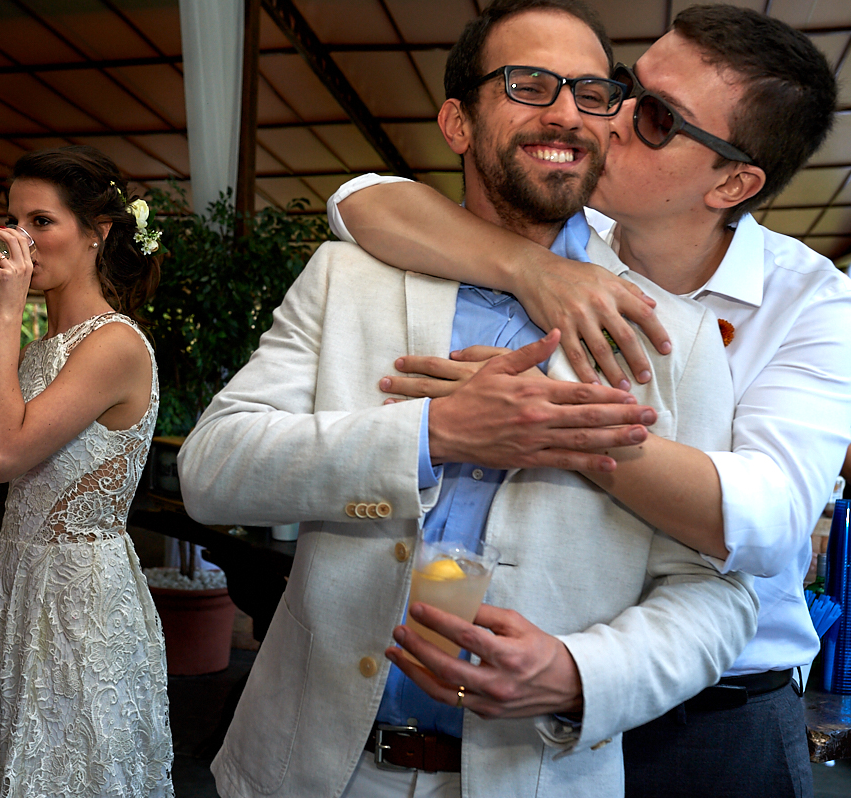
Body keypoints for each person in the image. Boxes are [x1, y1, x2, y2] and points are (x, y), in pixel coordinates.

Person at [177, 2, 758, 796]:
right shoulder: (349, 279)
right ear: (457, 121)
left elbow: (717, 593)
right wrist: (433, 431)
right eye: (529, 84)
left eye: (592, 91)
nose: (565, 112)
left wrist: (583, 674)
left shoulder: (680, 338)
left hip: (537, 774)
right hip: (315, 768)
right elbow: (211, 471)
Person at [329, 5, 850, 796]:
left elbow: (769, 521)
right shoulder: (568, 229)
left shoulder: (811, 302)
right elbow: (361, 199)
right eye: (624, 87)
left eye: (656, 118)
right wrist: (526, 267)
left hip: (715, 716)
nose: (599, 120)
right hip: (525, 689)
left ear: (735, 182)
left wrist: (538, 417)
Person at [0, 145, 172, 797]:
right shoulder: (46, 347)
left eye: (40, 222)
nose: (18, 239)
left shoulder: (115, 344)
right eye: (13, 221)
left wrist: (7, 308)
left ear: (97, 234)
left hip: (80, 598)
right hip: (19, 580)